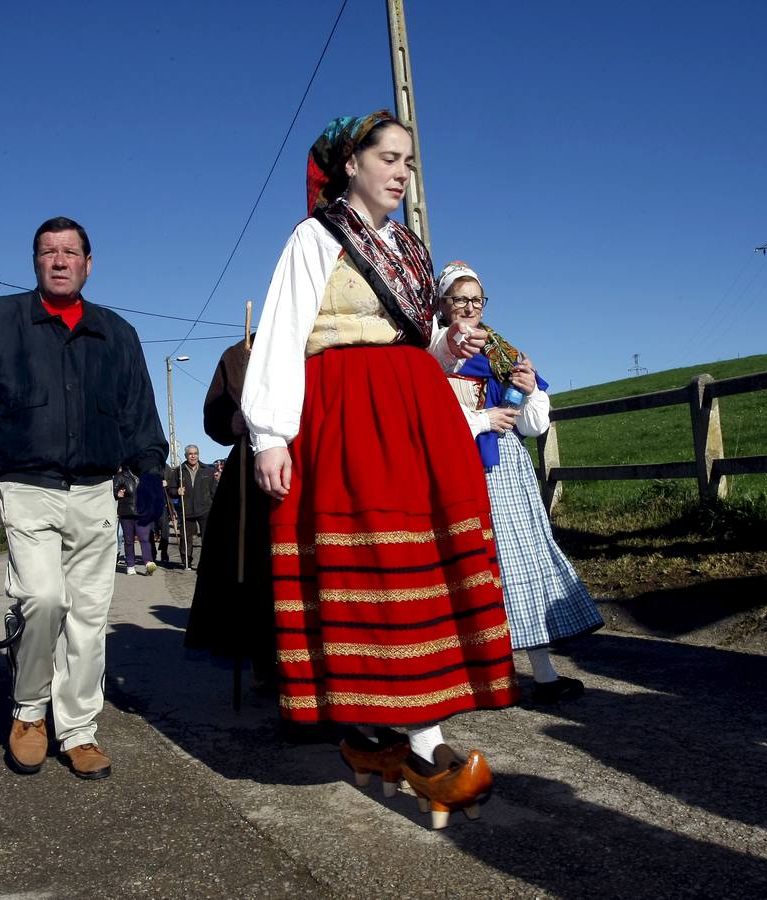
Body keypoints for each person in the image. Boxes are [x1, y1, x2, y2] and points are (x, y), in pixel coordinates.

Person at [240, 111, 518, 828]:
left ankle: (381, 735)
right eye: (389, 158)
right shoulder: (316, 237)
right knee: (378, 575)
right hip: (348, 413)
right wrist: (271, 432)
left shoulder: (414, 252)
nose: (401, 172)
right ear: (351, 164)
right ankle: (417, 746)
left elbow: (417, 343)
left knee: (426, 569)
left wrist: (446, 352)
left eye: (409, 162)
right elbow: (279, 334)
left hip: (413, 412)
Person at [0, 216, 167, 780]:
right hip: (26, 488)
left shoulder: (116, 333)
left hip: (96, 494)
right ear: (35, 263)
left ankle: (78, 730)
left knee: (88, 620)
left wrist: (152, 473)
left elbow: (139, 411)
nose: (60, 260)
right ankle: (27, 713)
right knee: (42, 600)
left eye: (71, 252)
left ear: (89, 264)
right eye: (49, 252)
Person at [437, 261, 605, 703]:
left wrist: (531, 388)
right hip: (456, 468)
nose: (471, 308)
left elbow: (531, 426)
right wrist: (479, 418)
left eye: (478, 299)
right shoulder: (433, 354)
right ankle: (473, 677)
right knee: (471, 567)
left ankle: (544, 674)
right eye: (461, 299)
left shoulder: (503, 352)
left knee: (521, 565)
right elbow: (427, 420)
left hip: (506, 469)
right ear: (443, 304)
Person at [184, 337, 276, 694]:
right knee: (252, 567)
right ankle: (260, 656)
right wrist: (231, 421)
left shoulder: (312, 345)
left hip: (307, 467)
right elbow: (215, 417)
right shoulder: (239, 355)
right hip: (250, 476)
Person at [170, 444, 215, 569]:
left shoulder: (208, 470)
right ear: (186, 456)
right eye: (190, 454)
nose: (193, 456)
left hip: (205, 509)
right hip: (187, 509)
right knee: (186, 538)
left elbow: (214, 490)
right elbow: (171, 490)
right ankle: (186, 561)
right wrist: (177, 491)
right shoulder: (179, 471)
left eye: (195, 453)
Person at [115, 465, 155, 575]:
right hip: (126, 512)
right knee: (128, 540)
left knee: (145, 538)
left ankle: (148, 563)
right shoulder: (121, 476)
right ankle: (130, 565)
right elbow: (113, 490)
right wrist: (117, 494)